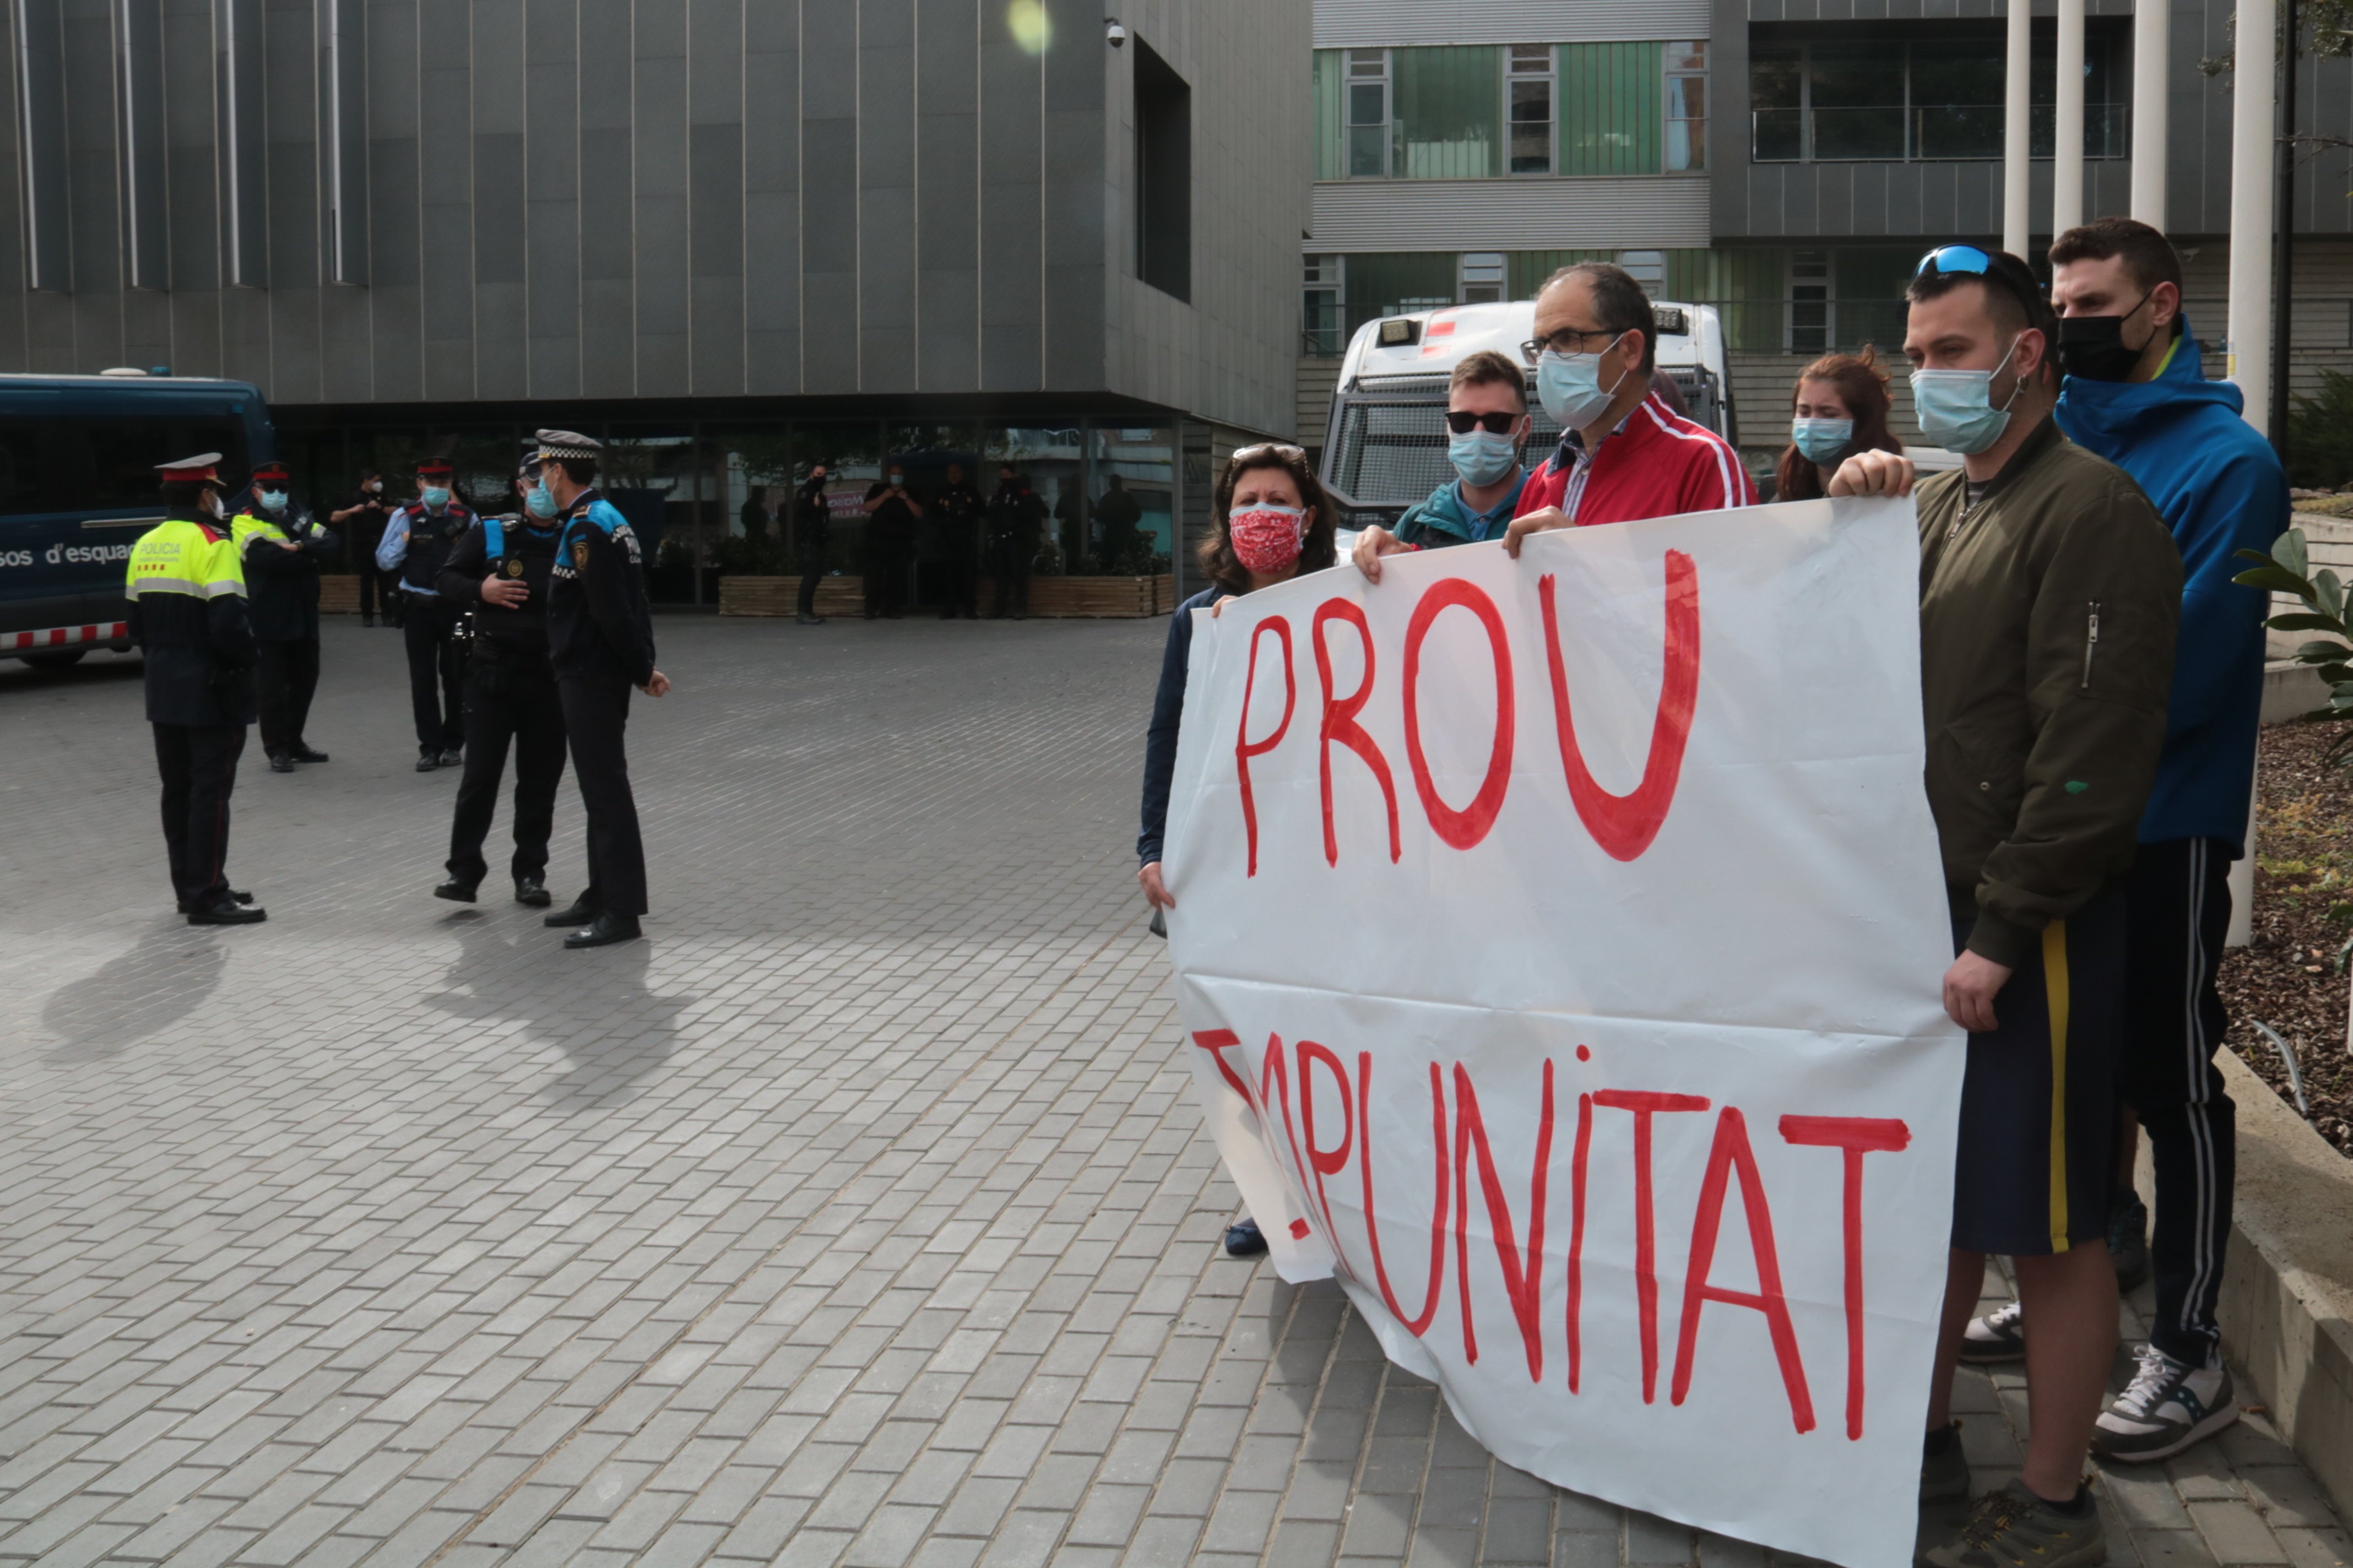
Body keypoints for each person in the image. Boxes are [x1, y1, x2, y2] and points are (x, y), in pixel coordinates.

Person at [1828, 243, 2181, 1568]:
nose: (1927, 379)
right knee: (1937, 1207)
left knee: (2050, 1224)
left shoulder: (2089, 511)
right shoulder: (1944, 502)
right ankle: (1920, 1448)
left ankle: (2051, 1501)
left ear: (2024, 355)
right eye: (1915, 355)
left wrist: (1998, 931)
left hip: (2025, 929)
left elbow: (2087, 751)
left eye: (1952, 354)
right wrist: (1851, 492)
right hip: (1933, 916)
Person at [1950, 218, 2290, 1464]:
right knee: (2066, 1078)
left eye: (2095, 302)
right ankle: (2084, 1289)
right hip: (2049, 827)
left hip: (2161, 825)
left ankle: (2191, 1349)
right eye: (2060, 303)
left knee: (2167, 1075)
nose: (2073, 322)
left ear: (2160, 307)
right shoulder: (2052, 441)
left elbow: (2178, 668)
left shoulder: (2231, 464)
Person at [1136, 442, 1338, 1260]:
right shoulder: (1197, 620)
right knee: (1252, 1037)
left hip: (1324, 866)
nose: (1261, 514)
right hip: (1236, 867)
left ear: (1308, 516)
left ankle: (1339, 1190)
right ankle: (1271, 1193)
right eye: (1247, 500)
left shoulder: (1342, 600)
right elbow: (1168, 733)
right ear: (1227, 517)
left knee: (1321, 1030)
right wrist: (1152, 843)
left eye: (1277, 500)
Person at [1483, 263, 1753, 565]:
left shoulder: (1703, 463)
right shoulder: (1542, 481)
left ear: (1631, 349)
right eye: (1541, 346)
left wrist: (1586, 560)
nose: (1547, 361)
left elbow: (1728, 600)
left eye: (1568, 339)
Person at [534, 430, 669, 950]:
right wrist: (643, 664)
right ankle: (600, 892)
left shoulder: (587, 527)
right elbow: (638, 601)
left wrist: (640, 668)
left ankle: (622, 910)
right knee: (598, 789)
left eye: (544, 469)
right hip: (602, 671)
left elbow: (611, 610)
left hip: (589, 672)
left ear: (558, 472)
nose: (541, 478)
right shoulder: (610, 518)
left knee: (606, 791)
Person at [124, 454, 267, 925]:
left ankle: (191, 886)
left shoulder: (146, 543)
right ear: (206, 494)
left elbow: (135, 625)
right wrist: (251, 663)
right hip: (212, 688)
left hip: (164, 687)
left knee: (179, 791)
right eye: (216, 491)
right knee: (211, 792)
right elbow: (229, 622)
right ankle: (209, 896)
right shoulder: (214, 542)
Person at [433, 455, 570, 909]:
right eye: (536, 482)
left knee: (539, 782)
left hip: (549, 678)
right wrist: (482, 591)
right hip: (492, 675)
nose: (544, 490)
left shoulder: (576, 533)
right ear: (521, 486)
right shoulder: (492, 531)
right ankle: (463, 873)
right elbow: (446, 577)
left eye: (551, 481)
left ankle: (530, 873)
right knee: (480, 777)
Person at [1348, 349, 1531, 582]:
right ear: (1448, 427)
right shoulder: (1417, 525)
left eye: (1497, 421)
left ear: (1524, 429)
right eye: (1462, 421)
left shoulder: (1548, 511)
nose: (1478, 433)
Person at [230, 462, 338, 773]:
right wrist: (308, 556)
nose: (278, 494)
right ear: (256, 492)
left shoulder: (299, 515)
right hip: (269, 616)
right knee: (272, 688)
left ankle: (295, 741)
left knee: (305, 681)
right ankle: (276, 749)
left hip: (304, 613)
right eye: (270, 489)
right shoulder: (243, 521)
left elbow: (331, 544)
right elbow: (269, 559)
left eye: (283, 489)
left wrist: (298, 546)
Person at [378, 458, 475, 770]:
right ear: (419, 484)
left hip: (455, 607)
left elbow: (483, 557)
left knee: (456, 677)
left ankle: (453, 744)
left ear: (451, 484)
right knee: (422, 681)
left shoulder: (466, 517)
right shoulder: (404, 517)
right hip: (418, 607)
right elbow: (384, 561)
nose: (437, 488)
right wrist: (404, 543)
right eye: (431, 483)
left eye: (443, 483)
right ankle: (429, 748)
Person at [1772, 348, 1902, 503]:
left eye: (1829, 414)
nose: (1812, 423)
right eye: (1804, 412)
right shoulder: (1786, 492)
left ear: (1863, 422)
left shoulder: (1894, 496)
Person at [333, 469, 397, 628]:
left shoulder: (382, 495)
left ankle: (387, 615)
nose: (378, 484)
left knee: (385, 581)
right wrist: (351, 510)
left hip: (382, 544)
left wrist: (380, 507)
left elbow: (396, 512)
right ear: (366, 481)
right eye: (375, 480)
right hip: (363, 544)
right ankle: (367, 615)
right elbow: (334, 517)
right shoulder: (354, 497)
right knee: (366, 581)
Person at [984, 464, 1047, 619]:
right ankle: (999, 608)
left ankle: (1020, 608)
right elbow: (991, 514)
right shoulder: (998, 494)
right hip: (1001, 540)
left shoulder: (1022, 494)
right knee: (1001, 576)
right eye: (1002, 475)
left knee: (1019, 576)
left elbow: (1029, 515)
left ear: (1014, 475)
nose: (1004, 477)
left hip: (1017, 540)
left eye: (1007, 474)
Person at [861, 463, 921, 619]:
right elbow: (867, 507)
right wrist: (884, 496)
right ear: (889, 475)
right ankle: (871, 608)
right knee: (875, 576)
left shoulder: (911, 491)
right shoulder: (878, 489)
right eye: (894, 473)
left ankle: (893, 608)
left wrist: (906, 498)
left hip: (901, 541)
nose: (897, 476)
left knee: (897, 576)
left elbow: (919, 513)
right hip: (878, 540)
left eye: (899, 473)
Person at [928, 462, 983, 619]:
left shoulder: (970, 491)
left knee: (968, 575)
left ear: (962, 474)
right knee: (949, 575)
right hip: (949, 539)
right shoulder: (943, 491)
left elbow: (982, 511)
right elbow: (933, 513)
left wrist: (971, 503)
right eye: (950, 472)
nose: (953, 475)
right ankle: (949, 610)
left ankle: (970, 610)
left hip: (967, 538)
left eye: (956, 472)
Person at [792, 464, 832, 625]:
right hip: (809, 540)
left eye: (824, 474)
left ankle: (808, 611)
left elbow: (824, 518)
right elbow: (800, 514)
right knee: (811, 576)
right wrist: (813, 507)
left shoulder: (820, 495)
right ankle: (803, 612)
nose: (821, 477)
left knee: (816, 576)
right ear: (811, 475)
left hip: (818, 539)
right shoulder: (805, 492)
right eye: (818, 474)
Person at [1095, 473, 1143, 572]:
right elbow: (1137, 516)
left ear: (1111, 484)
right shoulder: (1127, 498)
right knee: (1126, 565)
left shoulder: (1106, 499)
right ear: (1120, 483)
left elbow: (1098, 517)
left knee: (1109, 566)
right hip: (1126, 535)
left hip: (1111, 536)